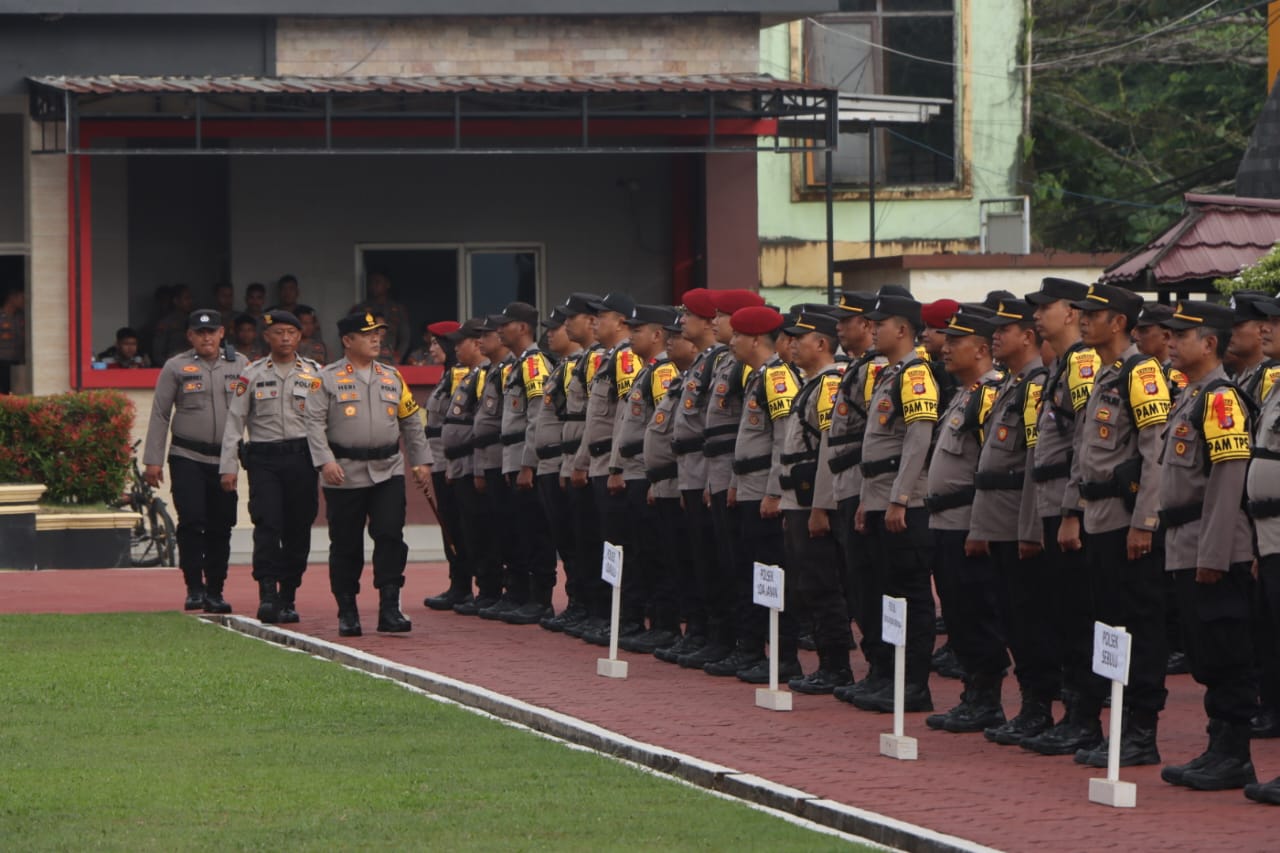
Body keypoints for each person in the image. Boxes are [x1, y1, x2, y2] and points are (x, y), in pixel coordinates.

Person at [1149, 300, 1258, 791]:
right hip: (1184, 541)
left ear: (1209, 343)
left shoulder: (1219, 399)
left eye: (1180, 336)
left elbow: (1227, 482)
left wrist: (1213, 554)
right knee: (1204, 650)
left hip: (1214, 546)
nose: (1170, 344)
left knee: (1225, 649)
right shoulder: (1189, 395)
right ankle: (1218, 746)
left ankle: (1233, 754)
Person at [1065, 282, 1170, 768]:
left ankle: (1140, 732)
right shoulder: (1105, 374)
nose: (1084, 320)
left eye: (1094, 313)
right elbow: (1085, 455)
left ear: (1119, 323)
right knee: (1108, 625)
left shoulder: (1141, 372)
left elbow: (1155, 455)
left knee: (1138, 626)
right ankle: (1119, 727)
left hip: (1127, 522)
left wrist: (1145, 522)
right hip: (1098, 517)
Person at [1017, 277, 1104, 758]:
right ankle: (1072, 711)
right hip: (1050, 504)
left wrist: (1072, 510)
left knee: (1076, 616)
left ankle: (1083, 717)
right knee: (1058, 614)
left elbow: (1084, 447)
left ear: (1070, 313)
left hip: (1070, 508)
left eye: (1045, 307)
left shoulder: (1083, 365)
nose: (1036, 315)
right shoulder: (1062, 366)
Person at [305, 310, 432, 637]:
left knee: (390, 535)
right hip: (343, 473)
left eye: (379, 333)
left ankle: (389, 607)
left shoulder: (392, 376)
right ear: (348, 341)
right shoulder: (327, 378)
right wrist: (325, 461)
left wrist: (421, 462)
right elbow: (313, 425)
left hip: (388, 470)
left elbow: (411, 422)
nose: (377, 339)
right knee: (346, 543)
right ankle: (347, 609)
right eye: (368, 334)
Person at [850, 286, 939, 713]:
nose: (873, 330)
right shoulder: (888, 373)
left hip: (905, 505)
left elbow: (918, 440)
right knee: (884, 593)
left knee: (910, 594)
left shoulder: (915, 374)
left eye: (880, 324)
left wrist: (900, 498)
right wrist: (869, 502)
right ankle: (887, 675)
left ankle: (913, 684)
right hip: (881, 499)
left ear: (902, 329)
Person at [920, 304, 1006, 733]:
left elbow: (992, 468)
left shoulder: (991, 396)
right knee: (957, 613)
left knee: (976, 613)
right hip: (945, 521)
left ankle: (986, 698)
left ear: (983, 348)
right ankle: (973, 692)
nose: (946, 348)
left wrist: (981, 525)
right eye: (946, 340)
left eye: (956, 342)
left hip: (968, 523)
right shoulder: (964, 395)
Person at [969, 300, 1053, 742]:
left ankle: (1039, 707)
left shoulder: (1036, 384)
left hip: (1019, 521)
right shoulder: (1010, 384)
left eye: (1006, 329)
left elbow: (1037, 460)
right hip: (998, 518)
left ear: (1028, 336)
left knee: (1028, 618)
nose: (995, 336)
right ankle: (1030, 704)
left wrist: (1030, 527)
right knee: (1011, 615)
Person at [716, 304, 802, 684]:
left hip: (765, 493)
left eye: (737, 336)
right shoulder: (756, 377)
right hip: (748, 488)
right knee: (750, 574)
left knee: (772, 574)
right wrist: (736, 485)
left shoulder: (777, 377)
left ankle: (783, 656)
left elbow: (784, 439)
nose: (731, 342)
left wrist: (774, 492)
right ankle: (752, 649)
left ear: (754, 339)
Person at [219, 310, 324, 624]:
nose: (285, 338)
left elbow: (325, 420)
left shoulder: (315, 373)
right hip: (264, 458)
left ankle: (288, 594)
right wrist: (228, 467)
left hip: (302, 457)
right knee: (267, 525)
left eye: (291, 333)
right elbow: (234, 422)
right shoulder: (251, 374)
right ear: (267, 337)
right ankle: (267, 593)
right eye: (278, 333)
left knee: (298, 528)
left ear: (299, 336)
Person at [142, 309, 250, 612]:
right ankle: (194, 587)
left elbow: (250, 410)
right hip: (186, 455)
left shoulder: (240, 364)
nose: (206, 337)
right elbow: (161, 414)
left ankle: (216, 589)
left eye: (212, 332)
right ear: (190, 336)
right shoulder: (176, 367)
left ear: (221, 333)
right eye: (200, 332)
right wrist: (153, 461)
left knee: (221, 525)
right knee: (192, 521)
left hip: (225, 459)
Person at [685, 288, 766, 674]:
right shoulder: (719, 362)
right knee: (718, 562)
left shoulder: (747, 367)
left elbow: (748, 430)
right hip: (718, 473)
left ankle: (742, 641)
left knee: (737, 565)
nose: (716, 322)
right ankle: (724, 638)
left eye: (723, 315)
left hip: (740, 477)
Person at [781, 307, 853, 694]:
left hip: (813, 499)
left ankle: (836, 664)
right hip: (798, 495)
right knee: (808, 582)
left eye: (800, 338)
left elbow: (828, 447)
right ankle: (830, 662)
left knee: (823, 584)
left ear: (822, 343)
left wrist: (821, 506)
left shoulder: (828, 386)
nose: (792, 345)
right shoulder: (811, 383)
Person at [611, 304, 683, 653]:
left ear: (657, 335)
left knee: (655, 551)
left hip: (647, 474)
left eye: (637, 329)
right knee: (641, 550)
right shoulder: (648, 370)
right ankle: (647, 620)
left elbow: (663, 428)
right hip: (637, 472)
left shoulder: (663, 372)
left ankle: (665, 623)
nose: (631, 334)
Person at [656, 288, 723, 664]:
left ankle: (717, 634)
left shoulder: (717, 364)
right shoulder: (701, 366)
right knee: (692, 559)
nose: (681, 325)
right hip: (690, 476)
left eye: (688, 317)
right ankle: (700, 630)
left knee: (709, 561)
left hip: (707, 476)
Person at [573, 293, 642, 646]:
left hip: (614, 465)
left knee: (620, 545)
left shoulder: (627, 359)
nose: (595, 321)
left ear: (621, 321)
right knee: (605, 544)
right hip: (599, 461)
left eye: (602, 316)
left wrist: (615, 466)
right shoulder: (607, 359)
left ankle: (626, 618)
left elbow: (624, 418)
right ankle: (611, 615)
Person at [829, 290, 888, 703]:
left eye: (846, 320)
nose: (839, 327)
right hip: (849, 484)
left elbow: (874, 436)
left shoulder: (874, 372)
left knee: (871, 582)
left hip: (864, 486)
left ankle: (885, 670)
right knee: (859, 581)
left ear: (867, 327)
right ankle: (877, 668)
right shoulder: (857, 368)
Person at [496, 301, 558, 625]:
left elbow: (537, 418)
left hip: (525, 460)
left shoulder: (534, 364)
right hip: (514, 457)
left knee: (536, 532)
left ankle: (541, 598)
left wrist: (527, 464)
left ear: (522, 327)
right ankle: (523, 593)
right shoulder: (517, 364)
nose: (500, 330)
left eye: (506, 324)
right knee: (520, 531)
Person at [442, 318, 503, 616]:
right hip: (460, 463)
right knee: (467, 529)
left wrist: (477, 467)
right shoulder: (472, 374)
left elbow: (484, 427)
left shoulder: (486, 376)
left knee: (482, 530)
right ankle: (477, 588)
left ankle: (490, 589)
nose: (456, 347)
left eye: (461, 341)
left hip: (474, 463)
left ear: (477, 342)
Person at [554, 294, 606, 637]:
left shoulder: (601, 360)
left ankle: (598, 610)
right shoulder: (585, 360)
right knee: (578, 539)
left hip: (593, 462)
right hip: (577, 457)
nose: (565, 325)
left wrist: (581, 463)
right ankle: (584, 605)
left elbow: (598, 419)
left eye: (573, 317)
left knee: (594, 540)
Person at [528, 308, 583, 629]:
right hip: (551, 461)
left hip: (567, 462)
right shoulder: (563, 367)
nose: (549, 334)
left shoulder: (584, 365)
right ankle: (578, 603)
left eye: (556, 327)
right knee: (565, 539)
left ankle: (583, 604)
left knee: (576, 540)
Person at [421, 321, 473, 612]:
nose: (431, 349)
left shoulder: (459, 375)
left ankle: (463, 585)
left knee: (458, 524)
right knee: (451, 524)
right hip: (441, 458)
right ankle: (458, 583)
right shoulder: (448, 375)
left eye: (435, 343)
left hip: (452, 460)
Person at [470, 315, 518, 620]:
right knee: (493, 528)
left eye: (486, 335)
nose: (481, 341)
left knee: (510, 530)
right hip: (489, 457)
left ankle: (514, 591)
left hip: (504, 458)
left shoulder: (512, 369)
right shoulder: (491, 371)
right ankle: (501, 590)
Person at [353, 272, 412, 363]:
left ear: (387, 284)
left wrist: (399, 355)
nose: (373, 286)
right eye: (371, 283)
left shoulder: (398, 309)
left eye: (377, 282)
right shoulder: (361, 309)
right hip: (366, 358)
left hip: (390, 357)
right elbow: (353, 335)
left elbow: (405, 337)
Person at [151, 283, 194, 365]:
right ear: (176, 301)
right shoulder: (165, 323)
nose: (190, 301)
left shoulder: (194, 320)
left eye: (190, 298)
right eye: (186, 298)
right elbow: (158, 355)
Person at [0, 285, 24, 394]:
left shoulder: (21, 317)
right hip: (2, 362)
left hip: (17, 363)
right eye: (21, 297)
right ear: (12, 297)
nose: (24, 300)